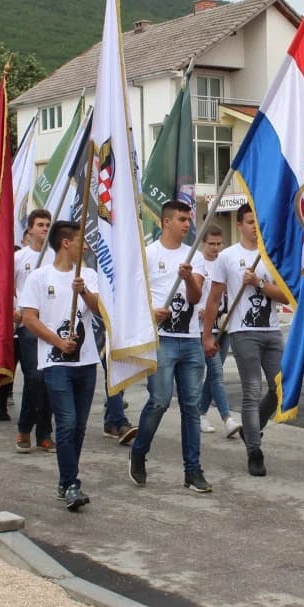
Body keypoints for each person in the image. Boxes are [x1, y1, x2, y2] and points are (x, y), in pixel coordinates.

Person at [128, 200, 211, 493]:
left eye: (189, 219)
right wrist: (152, 311)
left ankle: (193, 470)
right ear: (165, 222)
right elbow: (135, 295)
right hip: (161, 338)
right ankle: (139, 451)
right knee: (160, 400)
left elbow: (195, 296)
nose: (187, 224)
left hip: (189, 340)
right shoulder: (149, 254)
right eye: (181, 219)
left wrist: (188, 279)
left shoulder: (195, 257)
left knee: (191, 406)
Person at [202, 204, 288, 476]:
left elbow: (286, 296)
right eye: (250, 222)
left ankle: (254, 425)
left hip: (272, 331)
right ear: (239, 225)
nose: (254, 227)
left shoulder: (270, 255)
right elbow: (214, 298)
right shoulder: (227, 257)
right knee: (251, 389)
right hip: (243, 332)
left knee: (281, 387)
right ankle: (254, 451)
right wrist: (208, 335)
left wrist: (259, 283)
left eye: (257, 222)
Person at [20, 220, 100, 510]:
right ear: (66, 242)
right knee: (65, 423)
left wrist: (85, 293)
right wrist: (56, 342)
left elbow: (101, 310)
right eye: (81, 240)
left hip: (87, 361)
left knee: (78, 426)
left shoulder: (88, 275)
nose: (86, 246)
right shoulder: (39, 278)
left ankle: (66, 481)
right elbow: (29, 317)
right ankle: (72, 483)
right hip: (56, 363)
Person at [12, 209, 55, 452]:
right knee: (34, 377)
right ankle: (24, 429)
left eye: (48, 224)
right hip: (28, 324)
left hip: (50, 325)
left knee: (49, 378)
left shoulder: (54, 257)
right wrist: (13, 309)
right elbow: (7, 287)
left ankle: (45, 433)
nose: (44, 228)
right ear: (29, 229)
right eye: (40, 224)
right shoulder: (20, 258)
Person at [193, 224, 238, 437]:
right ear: (203, 243)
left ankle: (200, 413)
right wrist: (198, 311)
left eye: (219, 244)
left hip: (224, 325)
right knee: (217, 372)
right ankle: (227, 417)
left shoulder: (226, 262)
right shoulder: (198, 263)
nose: (216, 248)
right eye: (211, 244)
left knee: (213, 373)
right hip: (203, 327)